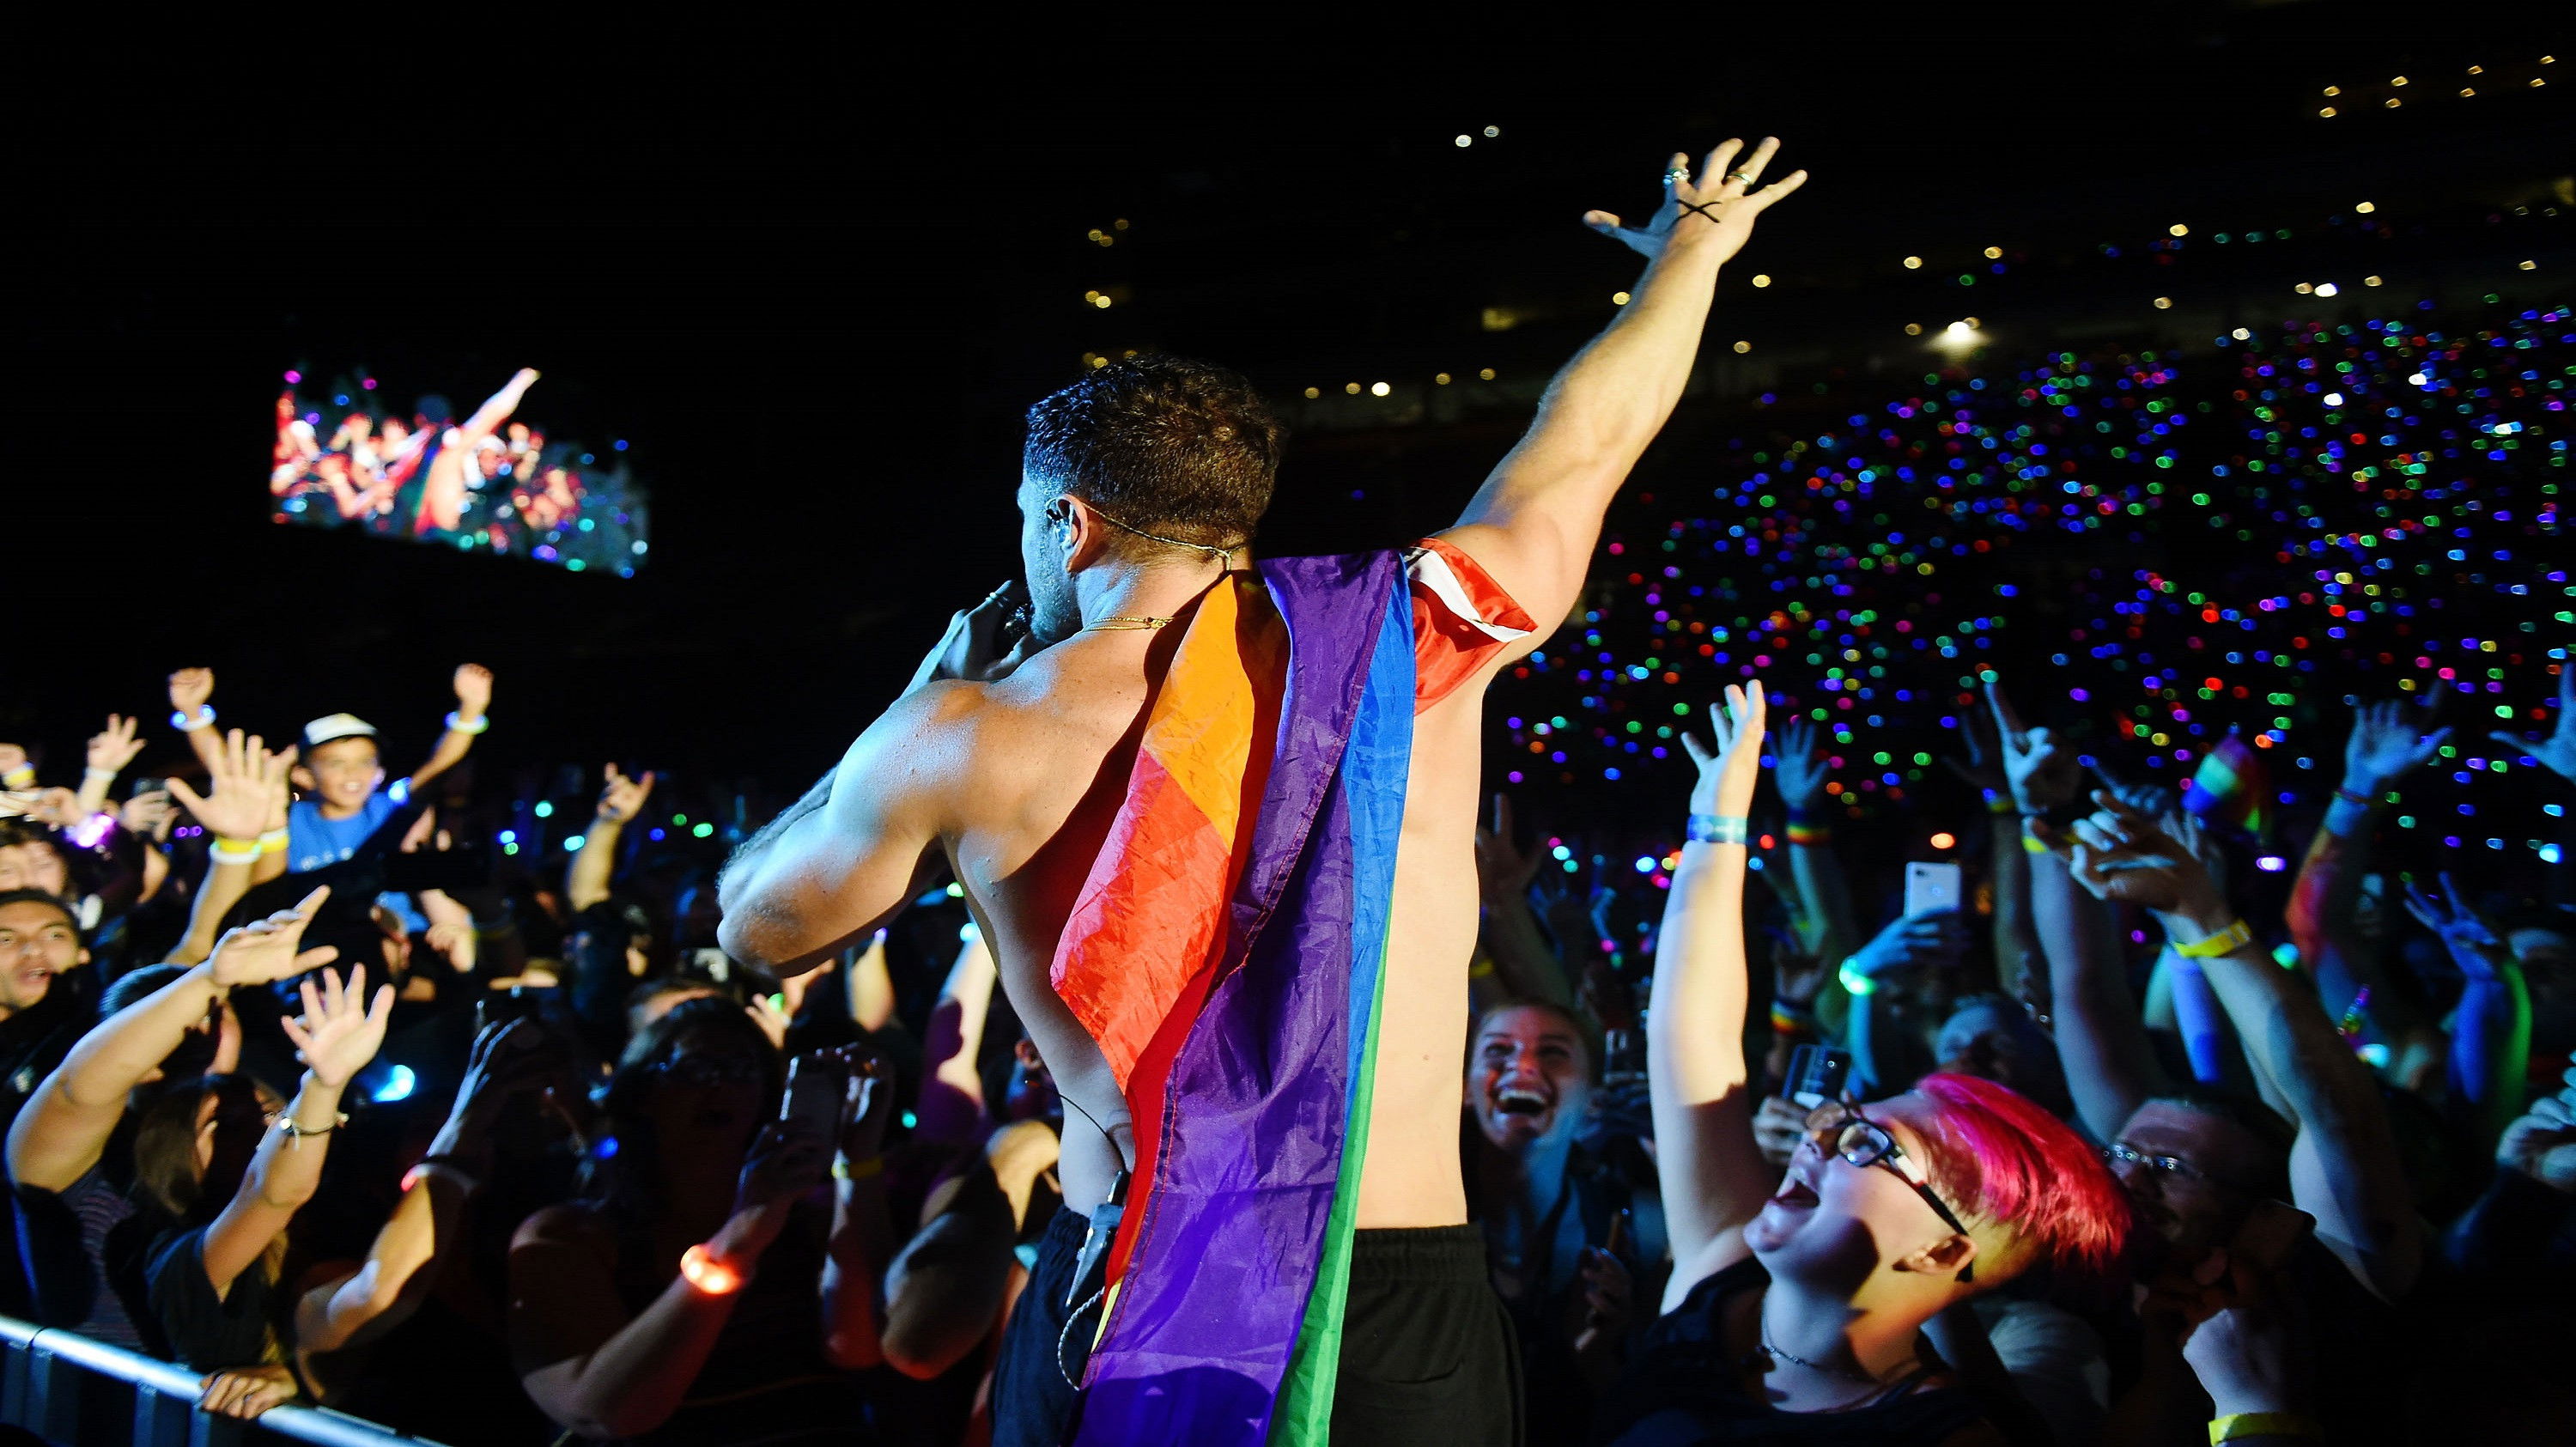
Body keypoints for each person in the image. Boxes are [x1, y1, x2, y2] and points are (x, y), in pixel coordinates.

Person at [719, 135, 1808, 1447]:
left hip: (1130, 1281)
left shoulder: (963, 732)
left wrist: (907, 705)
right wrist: (1692, 252)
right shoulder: (1410, 637)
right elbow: (1585, 442)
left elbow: (759, 933)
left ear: (1069, 521)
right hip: (1397, 1302)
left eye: (1026, 517)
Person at [1611, 681, 2131, 1446]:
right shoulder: (1717, 1274)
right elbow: (1692, 1035)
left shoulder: (1945, 1436)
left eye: (1866, 1145)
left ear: (1941, 1250)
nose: (1817, 1138)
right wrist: (1718, 824)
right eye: (1841, 1122)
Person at [506, 999, 893, 1444]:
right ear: (643, 1093)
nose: (721, 1085)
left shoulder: (806, 1222)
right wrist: (738, 1240)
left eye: (742, 1069)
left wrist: (857, 1160)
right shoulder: (571, 1238)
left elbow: (856, 1350)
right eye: (695, 1068)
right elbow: (608, 1413)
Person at [1465, 998, 1665, 1445]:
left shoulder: (1636, 1231)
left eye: (1553, 1053)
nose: (1523, 1066)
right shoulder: (1418, 1217)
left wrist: (1597, 1354)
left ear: (1593, 1100)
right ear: (1465, 1089)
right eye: (1498, 1051)